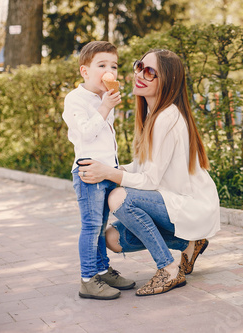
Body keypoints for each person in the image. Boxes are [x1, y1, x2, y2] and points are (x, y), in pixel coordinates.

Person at [78, 49, 221, 296]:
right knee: (113, 240)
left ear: (168, 81)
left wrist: (110, 174)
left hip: (190, 204)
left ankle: (168, 269)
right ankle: (189, 243)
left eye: (150, 71)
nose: (140, 74)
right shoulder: (151, 113)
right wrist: (112, 169)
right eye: (139, 66)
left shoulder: (168, 117)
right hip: (169, 200)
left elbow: (150, 180)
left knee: (119, 198)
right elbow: (143, 166)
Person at [62, 41, 135, 300]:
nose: (110, 71)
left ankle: (103, 271)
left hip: (106, 171)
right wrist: (105, 107)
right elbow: (87, 134)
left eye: (114, 66)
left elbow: (107, 141)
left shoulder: (103, 98)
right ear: (85, 71)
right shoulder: (75, 99)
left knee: (102, 225)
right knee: (91, 227)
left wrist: (114, 169)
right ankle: (87, 279)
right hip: (89, 173)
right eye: (102, 65)